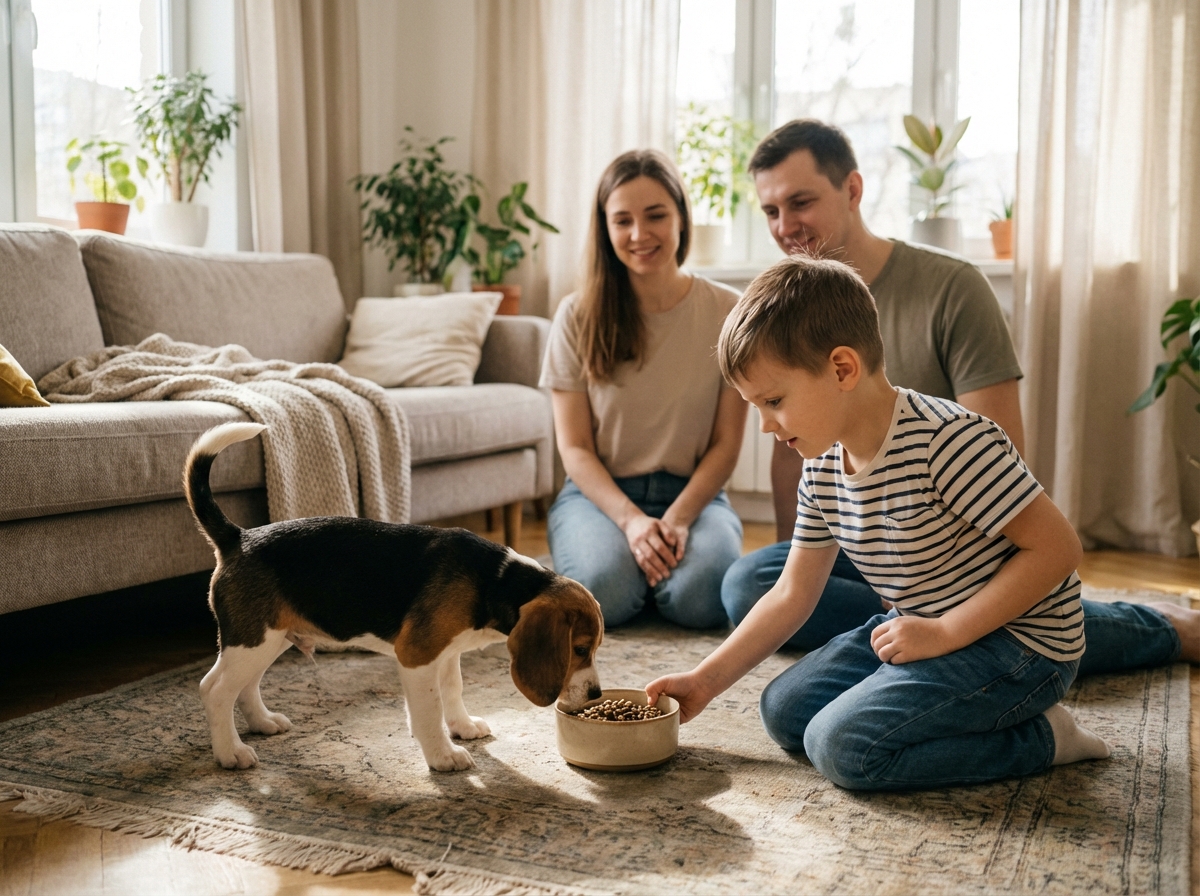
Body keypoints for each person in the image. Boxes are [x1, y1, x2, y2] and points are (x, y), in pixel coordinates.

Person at [722, 119, 1199, 671]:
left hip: (950, 532)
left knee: (970, 598)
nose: (786, 226)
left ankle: (1143, 628)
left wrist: (923, 575)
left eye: (799, 202)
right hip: (872, 536)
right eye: (771, 211)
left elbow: (1000, 447)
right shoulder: (784, 316)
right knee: (749, 582)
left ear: (852, 190)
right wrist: (811, 551)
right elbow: (806, 472)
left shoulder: (951, 288)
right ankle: (922, 633)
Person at [647, 255, 1113, 791]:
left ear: (842, 368)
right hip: (923, 622)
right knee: (783, 711)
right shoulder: (821, 466)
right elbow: (792, 594)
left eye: (773, 401)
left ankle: (1045, 738)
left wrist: (944, 632)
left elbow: (1059, 549)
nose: (764, 425)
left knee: (842, 747)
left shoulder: (949, 443)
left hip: (1022, 645)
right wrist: (704, 681)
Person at [539, 149, 747, 629]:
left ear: (681, 217)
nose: (639, 235)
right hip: (599, 496)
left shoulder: (728, 311)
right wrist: (632, 522)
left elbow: (726, 445)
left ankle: (652, 569)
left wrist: (675, 520)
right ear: (605, 228)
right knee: (605, 595)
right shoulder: (576, 315)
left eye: (656, 215)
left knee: (702, 600)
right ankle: (630, 566)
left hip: (695, 495)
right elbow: (573, 448)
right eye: (622, 221)